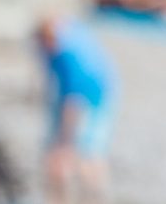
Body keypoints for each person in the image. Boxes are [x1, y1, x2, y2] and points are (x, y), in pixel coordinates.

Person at [36, 15, 118, 204]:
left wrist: (65, 139)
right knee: (75, 153)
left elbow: (74, 103)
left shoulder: (69, 58)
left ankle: (88, 198)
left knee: (83, 154)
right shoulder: (69, 34)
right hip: (94, 91)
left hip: (92, 98)